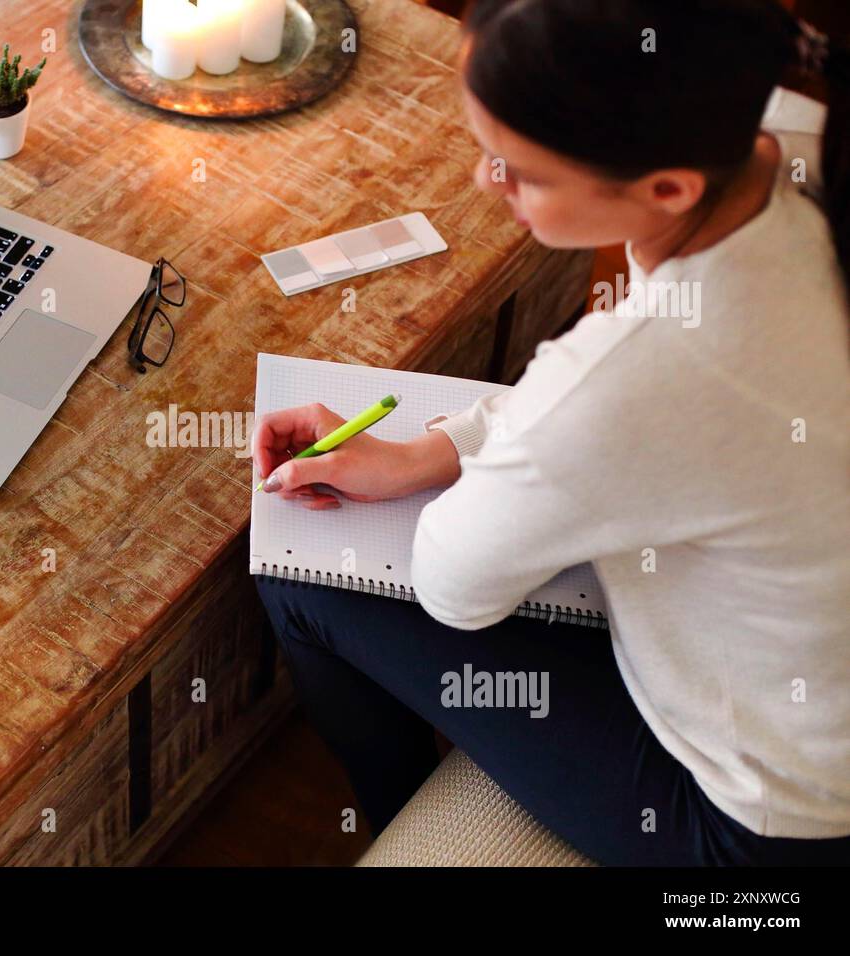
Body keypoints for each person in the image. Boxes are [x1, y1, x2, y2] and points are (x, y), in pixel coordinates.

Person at [254, 0, 850, 865]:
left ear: (669, 189)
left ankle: (393, 829)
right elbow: (616, 412)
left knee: (309, 580)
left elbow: (455, 587)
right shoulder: (788, 133)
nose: (482, 184)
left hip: (760, 830)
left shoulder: (641, 373)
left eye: (518, 169)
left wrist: (499, 457)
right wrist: (434, 450)